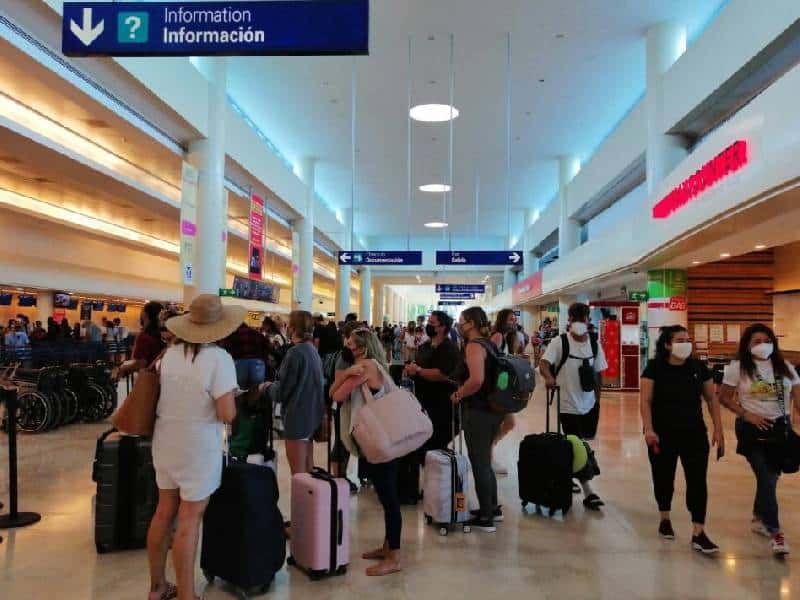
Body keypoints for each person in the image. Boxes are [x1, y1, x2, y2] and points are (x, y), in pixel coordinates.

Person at [146, 294, 241, 600]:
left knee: (163, 513)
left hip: (165, 439)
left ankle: (158, 586)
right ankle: (187, 595)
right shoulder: (219, 359)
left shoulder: (170, 354)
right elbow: (226, 414)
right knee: (189, 518)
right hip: (197, 445)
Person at [640, 325, 723, 554]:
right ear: (667, 344)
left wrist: (719, 429)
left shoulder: (698, 367)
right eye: (679, 340)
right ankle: (664, 516)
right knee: (663, 477)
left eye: (688, 339)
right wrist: (648, 429)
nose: (686, 343)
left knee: (697, 481)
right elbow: (645, 400)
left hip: (694, 433)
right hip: (662, 434)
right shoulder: (654, 367)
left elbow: (711, 400)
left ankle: (699, 531)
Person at [718, 323, 800, 556]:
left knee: (770, 478)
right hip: (751, 430)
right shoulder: (739, 368)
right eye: (756, 341)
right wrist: (747, 414)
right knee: (765, 475)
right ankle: (775, 531)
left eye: (766, 340)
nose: (763, 345)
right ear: (747, 345)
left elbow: (799, 399)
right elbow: (724, 397)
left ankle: (758, 516)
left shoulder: (785, 368)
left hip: (779, 430)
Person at [331, 327, 403, 576]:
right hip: (382, 438)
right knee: (386, 497)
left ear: (361, 346)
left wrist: (345, 374)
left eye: (351, 343)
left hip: (379, 441)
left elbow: (336, 394)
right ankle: (387, 546)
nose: (347, 346)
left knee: (389, 499)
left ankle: (394, 556)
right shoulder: (375, 364)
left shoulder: (364, 367)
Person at [539, 302, 608, 511]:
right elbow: (543, 364)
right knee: (577, 446)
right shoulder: (560, 342)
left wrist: (598, 401)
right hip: (567, 404)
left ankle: (567, 475)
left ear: (588, 321)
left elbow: (599, 373)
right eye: (575, 319)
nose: (579, 323)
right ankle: (589, 491)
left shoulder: (594, 344)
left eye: (583, 319)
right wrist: (550, 378)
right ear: (569, 321)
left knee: (579, 444)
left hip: (589, 404)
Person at [450, 307, 504, 532]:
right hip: (493, 410)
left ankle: (486, 517)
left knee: (479, 463)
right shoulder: (490, 344)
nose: (459, 326)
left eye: (461, 322)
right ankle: (492, 508)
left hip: (478, 411)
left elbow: (477, 379)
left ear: (471, 323)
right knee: (485, 461)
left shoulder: (474, 346)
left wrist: (459, 393)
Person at [254, 310, 324, 475]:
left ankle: (302, 502)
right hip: (311, 415)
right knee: (308, 472)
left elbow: (282, 391)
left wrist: (266, 387)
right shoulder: (312, 350)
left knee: (299, 475)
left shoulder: (295, 353)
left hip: (297, 417)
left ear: (292, 328)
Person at [405, 311, 462, 452]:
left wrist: (418, 370)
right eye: (428, 323)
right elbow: (418, 363)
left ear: (442, 327)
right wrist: (410, 368)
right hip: (421, 401)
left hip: (441, 404)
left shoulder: (449, 348)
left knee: (435, 443)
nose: (427, 326)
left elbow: (441, 374)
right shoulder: (425, 346)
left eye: (431, 323)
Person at [489, 309, 523, 475]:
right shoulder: (498, 337)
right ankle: (489, 457)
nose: (513, 322)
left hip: (504, 387)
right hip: (497, 388)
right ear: (502, 320)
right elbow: (489, 360)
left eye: (514, 320)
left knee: (509, 423)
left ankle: (489, 452)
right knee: (506, 423)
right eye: (510, 319)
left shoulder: (510, 339)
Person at [118, 302, 165, 378]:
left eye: (142, 310)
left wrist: (123, 368)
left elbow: (141, 364)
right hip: (159, 376)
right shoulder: (160, 334)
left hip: (148, 379)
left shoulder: (144, 337)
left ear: (145, 314)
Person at [220, 321, 267, 391]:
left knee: (240, 391)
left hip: (239, 363)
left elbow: (224, 350)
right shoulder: (258, 334)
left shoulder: (232, 335)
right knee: (257, 391)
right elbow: (267, 348)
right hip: (258, 363)